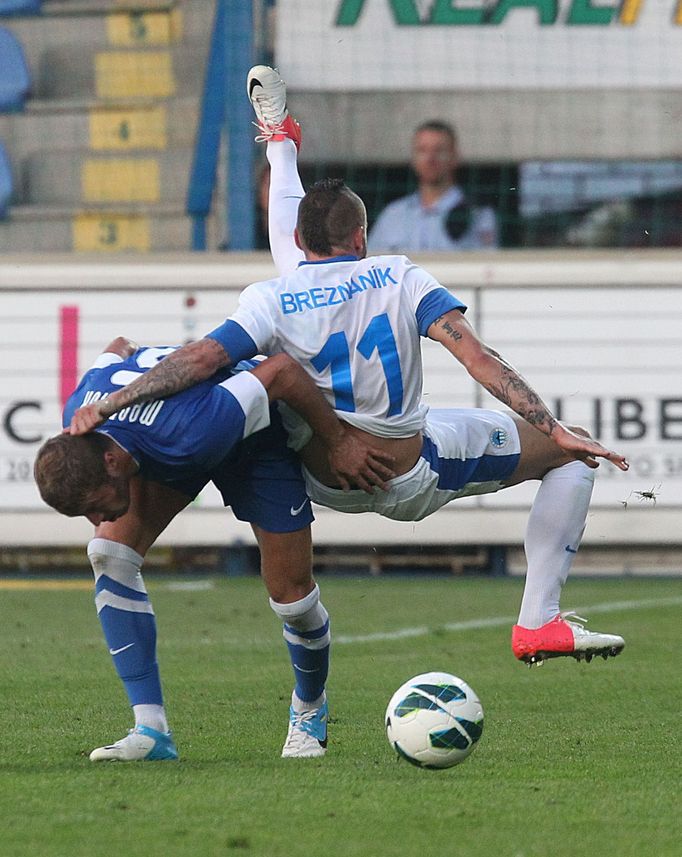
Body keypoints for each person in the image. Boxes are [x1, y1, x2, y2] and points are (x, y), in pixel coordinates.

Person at [68, 66, 629, 670]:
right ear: (362, 237)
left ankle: (280, 141)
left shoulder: (273, 296)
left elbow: (198, 359)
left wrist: (109, 404)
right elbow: (477, 358)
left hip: (319, 475)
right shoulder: (398, 275)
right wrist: (552, 427)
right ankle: (538, 621)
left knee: (285, 282)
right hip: (409, 469)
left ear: (305, 243)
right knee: (574, 459)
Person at [35, 337, 393, 761]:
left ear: (110, 463)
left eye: (95, 506)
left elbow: (281, 371)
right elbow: (118, 346)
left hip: (251, 440)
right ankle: (151, 732)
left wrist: (337, 441)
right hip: (166, 444)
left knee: (292, 598)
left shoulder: (191, 429)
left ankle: (309, 709)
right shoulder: (81, 422)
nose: (98, 519)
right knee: (109, 554)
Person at [367, 119, 498, 253]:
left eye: (439, 150)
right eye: (422, 150)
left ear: (455, 156)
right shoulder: (393, 215)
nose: (430, 158)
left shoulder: (478, 214)